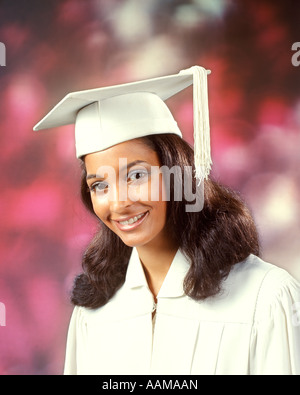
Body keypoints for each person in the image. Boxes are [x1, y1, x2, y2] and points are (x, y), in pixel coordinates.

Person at [34, 66, 300, 375]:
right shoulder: (95, 312)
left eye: (136, 175)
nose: (119, 202)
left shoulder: (265, 297)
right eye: (100, 185)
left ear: (178, 173)